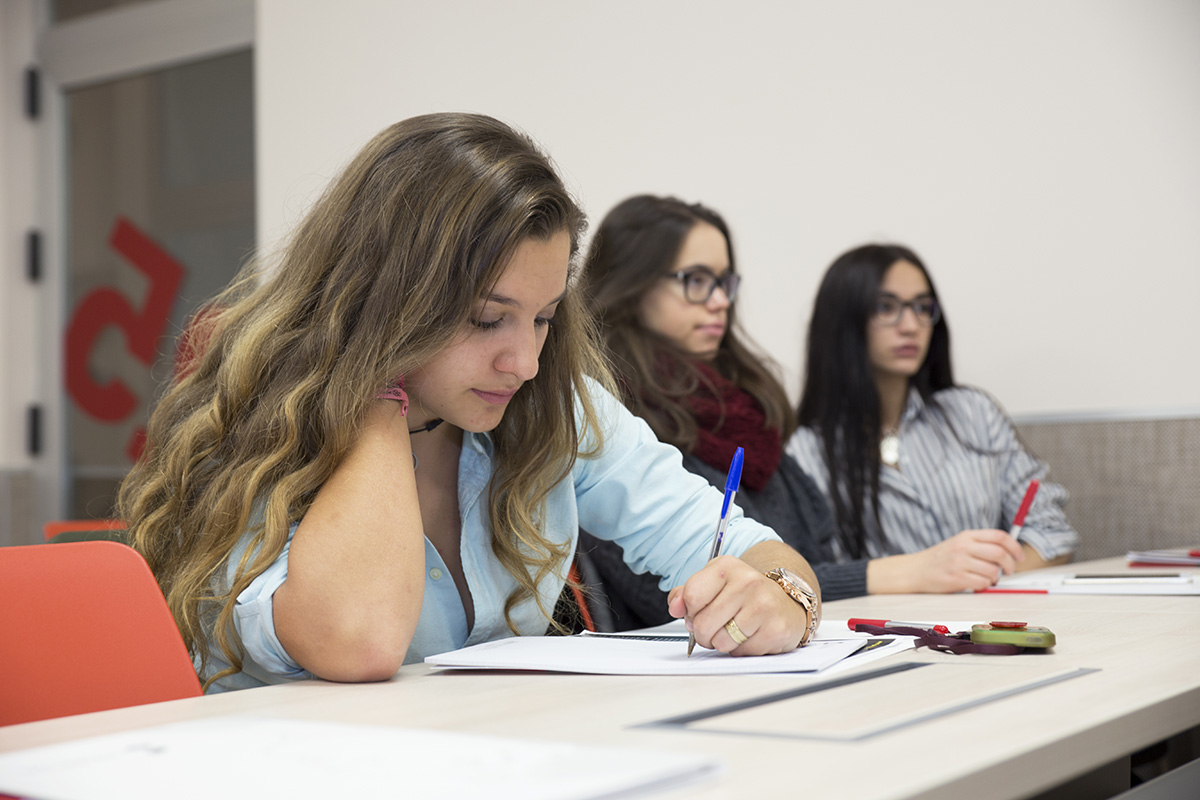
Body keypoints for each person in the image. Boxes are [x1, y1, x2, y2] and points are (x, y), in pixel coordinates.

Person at [117, 113, 820, 693]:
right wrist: (376, 387)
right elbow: (359, 641)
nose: (525, 362)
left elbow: (754, 549)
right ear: (387, 299)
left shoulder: (553, 406)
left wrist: (782, 598)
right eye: (487, 320)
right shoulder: (258, 428)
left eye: (542, 318)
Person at [576, 195, 855, 634]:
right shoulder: (605, 418)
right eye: (696, 280)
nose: (721, 300)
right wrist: (880, 575)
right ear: (633, 282)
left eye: (724, 282)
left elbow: (812, 549)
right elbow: (671, 600)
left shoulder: (747, 407)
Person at [786, 243, 1077, 593]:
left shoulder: (972, 412)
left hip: (994, 611)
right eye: (886, 307)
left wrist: (980, 580)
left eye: (922, 307)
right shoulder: (804, 451)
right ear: (843, 321)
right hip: (893, 624)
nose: (911, 325)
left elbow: (1053, 533)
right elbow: (807, 578)